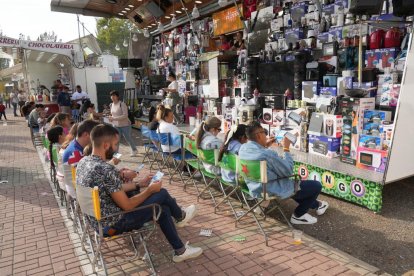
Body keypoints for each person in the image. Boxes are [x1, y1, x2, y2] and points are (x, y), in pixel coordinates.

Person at [76, 124, 203, 262]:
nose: (117, 148)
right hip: (113, 224)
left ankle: (180, 249)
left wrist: (138, 184)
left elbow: (107, 189)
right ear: (106, 145)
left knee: (162, 208)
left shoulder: (84, 162)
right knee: (161, 194)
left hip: (97, 221)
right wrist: (149, 190)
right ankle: (180, 217)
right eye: (115, 144)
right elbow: (128, 206)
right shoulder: (105, 169)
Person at [238, 122, 329, 225]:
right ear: (259, 135)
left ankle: (318, 205)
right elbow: (288, 171)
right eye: (264, 132)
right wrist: (286, 148)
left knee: (299, 187)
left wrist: (265, 145)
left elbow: (260, 156)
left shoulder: (243, 149)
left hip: (254, 187)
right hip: (273, 188)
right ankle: (299, 215)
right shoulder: (267, 154)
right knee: (315, 186)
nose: (266, 135)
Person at [108, 90, 138, 156]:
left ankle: (134, 150)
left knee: (128, 138)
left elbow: (125, 115)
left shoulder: (122, 104)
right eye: (111, 95)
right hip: (115, 125)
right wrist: (111, 118)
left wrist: (114, 118)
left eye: (114, 95)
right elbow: (113, 114)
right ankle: (116, 153)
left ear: (117, 96)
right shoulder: (111, 105)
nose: (112, 97)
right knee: (116, 139)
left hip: (125, 125)